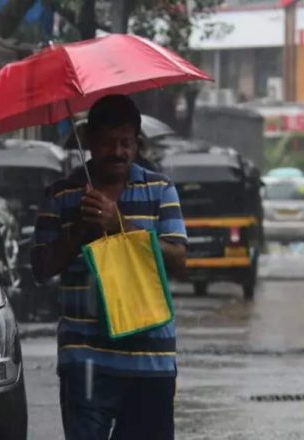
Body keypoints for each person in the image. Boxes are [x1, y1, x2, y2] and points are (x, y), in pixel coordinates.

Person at [30, 95, 187, 440]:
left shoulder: (160, 190)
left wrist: (120, 225)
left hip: (150, 360)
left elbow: (178, 261)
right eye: (107, 143)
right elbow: (40, 268)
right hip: (84, 361)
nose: (117, 152)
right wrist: (80, 230)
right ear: (88, 141)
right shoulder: (61, 195)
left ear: (137, 143)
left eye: (125, 143)